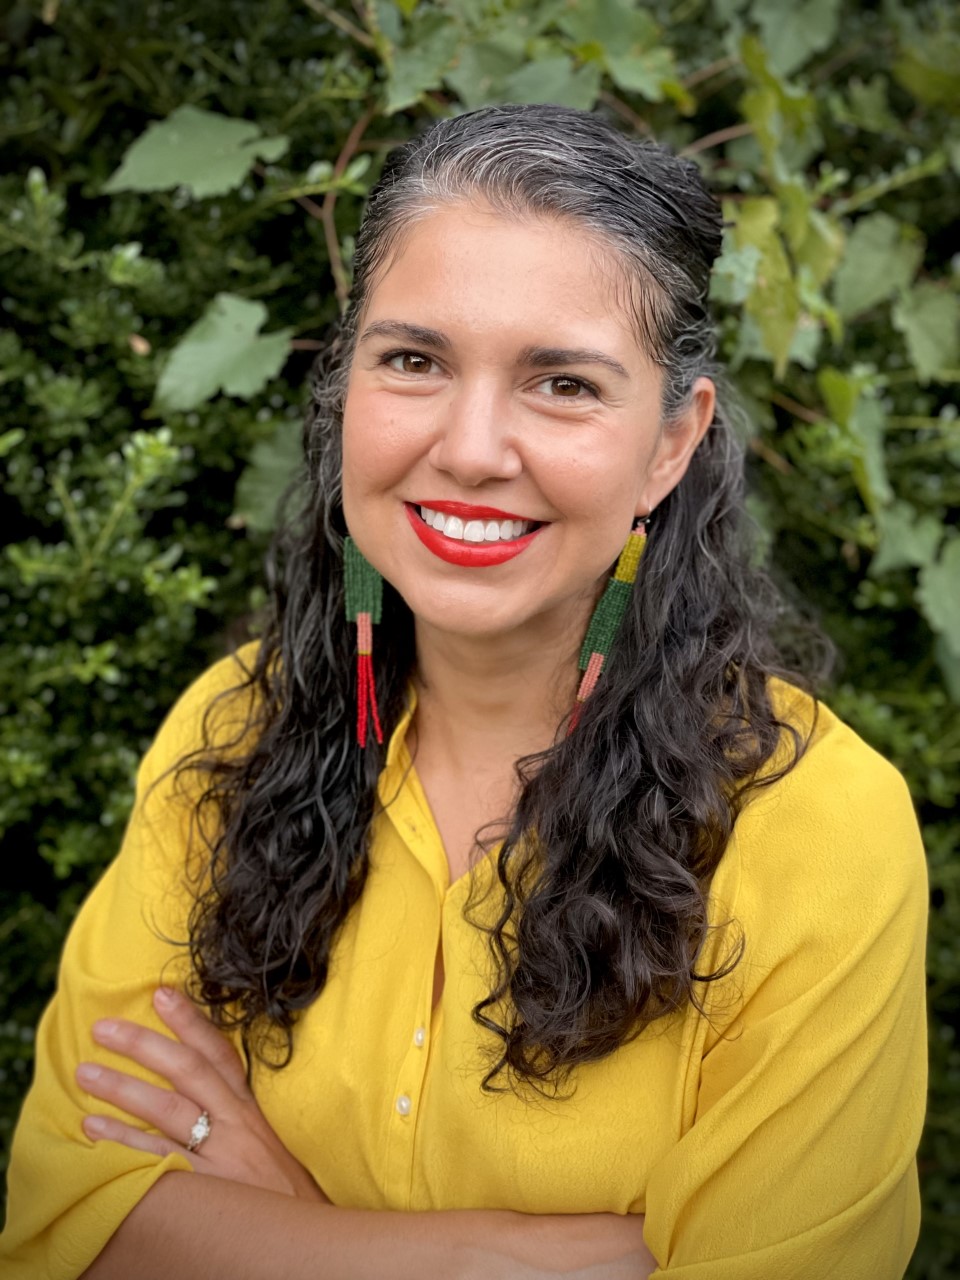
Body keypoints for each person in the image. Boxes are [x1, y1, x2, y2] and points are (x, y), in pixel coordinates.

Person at [1, 104, 928, 1280]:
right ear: (345, 390)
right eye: (415, 360)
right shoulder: (228, 733)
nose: (474, 445)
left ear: (670, 443)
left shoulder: (814, 829)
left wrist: (274, 1220)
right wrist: (559, 1257)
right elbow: (63, 1221)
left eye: (563, 383)